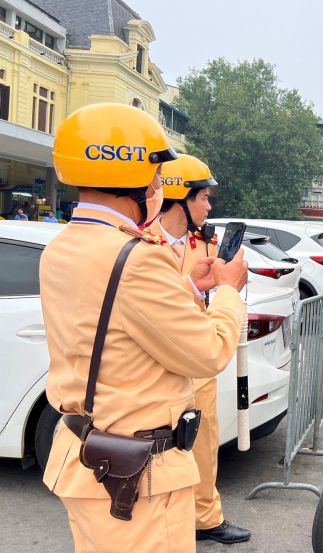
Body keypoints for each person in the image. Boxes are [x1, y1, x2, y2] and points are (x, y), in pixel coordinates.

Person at [40, 103, 248, 553]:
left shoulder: (61, 248)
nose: (158, 187)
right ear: (131, 173)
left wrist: (188, 285)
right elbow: (207, 352)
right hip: (136, 475)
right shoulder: (136, 256)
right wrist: (229, 292)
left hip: (86, 454)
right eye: (156, 176)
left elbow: (115, 323)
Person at [148, 154, 250, 544]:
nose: (209, 207)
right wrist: (225, 292)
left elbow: (184, 297)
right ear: (180, 197)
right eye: (203, 198)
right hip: (165, 366)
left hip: (198, 363)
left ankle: (206, 518)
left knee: (204, 446)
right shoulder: (144, 246)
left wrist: (203, 285)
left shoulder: (201, 243)